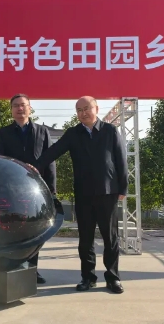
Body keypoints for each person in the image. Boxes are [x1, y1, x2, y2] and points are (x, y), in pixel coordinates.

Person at [34, 96, 127, 294]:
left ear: (96, 109)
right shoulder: (73, 133)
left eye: (87, 108)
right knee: (85, 239)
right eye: (79, 110)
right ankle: (88, 277)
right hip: (84, 194)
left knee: (111, 238)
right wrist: (35, 166)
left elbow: (121, 160)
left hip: (108, 192)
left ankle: (113, 278)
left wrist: (123, 188)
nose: (83, 113)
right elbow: (53, 152)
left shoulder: (110, 131)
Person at [0, 93, 56, 285]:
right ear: (11, 110)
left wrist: (52, 190)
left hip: (35, 192)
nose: (20, 108)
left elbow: (50, 162)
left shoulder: (42, 131)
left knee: (34, 231)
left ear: (30, 108)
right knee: (10, 230)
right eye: (16, 106)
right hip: (11, 193)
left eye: (23, 105)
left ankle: (32, 270)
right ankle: (11, 267)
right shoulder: (4, 133)